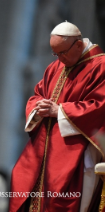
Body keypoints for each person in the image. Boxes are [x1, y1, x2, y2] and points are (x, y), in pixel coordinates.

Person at [10, 21, 105, 212]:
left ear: (78, 45)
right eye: (55, 54)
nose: (60, 59)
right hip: (42, 149)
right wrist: (40, 107)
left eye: (63, 53)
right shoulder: (55, 67)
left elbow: (99, 106)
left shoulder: (100, 66)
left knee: (61, 195)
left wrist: (59, 111)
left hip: (75, 149)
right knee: (21, 180)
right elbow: (38, 93)